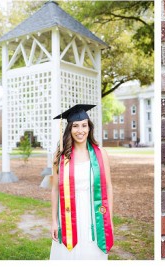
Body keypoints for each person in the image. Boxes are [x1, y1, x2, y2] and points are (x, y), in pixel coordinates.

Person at [50, 104, 114, 260]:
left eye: (84, 126)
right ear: (69, 129)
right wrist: (53, 221)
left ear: (89, 128)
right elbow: (55, 189)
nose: (80, 130)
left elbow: (109, 187)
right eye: (75, 126)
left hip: (94, 215)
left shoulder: (100, 154)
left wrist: (109, 219)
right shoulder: (60, 156)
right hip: (68, 214)